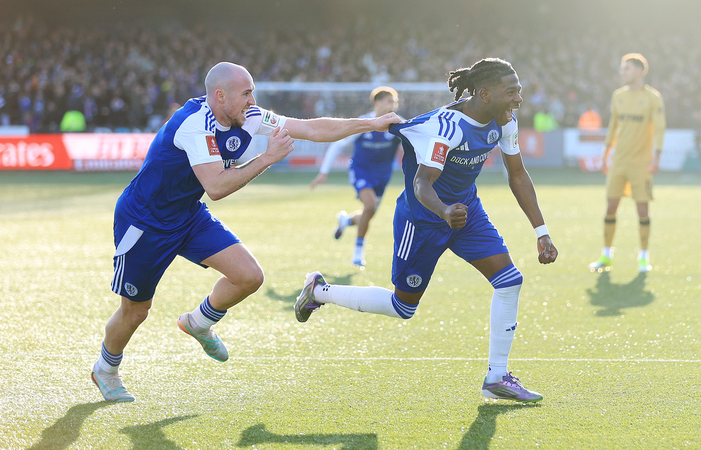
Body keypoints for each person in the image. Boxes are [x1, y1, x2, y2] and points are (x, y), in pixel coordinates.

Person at [91, 62, 400, 402]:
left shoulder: (247, 115)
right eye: (247, 92)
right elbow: (217, 187)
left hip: (187, 214)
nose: (254, 99)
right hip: (145, 223)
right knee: (136, 311)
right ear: (220, 96)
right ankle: (105, 369)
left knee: (249, 276)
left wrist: (371, 123)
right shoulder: (194, 125)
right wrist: (267, 158)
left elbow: (311, 129)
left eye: (253, 91)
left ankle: (198, 322)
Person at [295, 58, 558, 403]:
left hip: (466, 213)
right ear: (484, 93)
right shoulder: (446, 128)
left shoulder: (504, 121)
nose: (518, 100)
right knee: (402, 307)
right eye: (511, 92)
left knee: (509, 281)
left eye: (518, 92)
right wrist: (445, 210)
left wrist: (541, 230)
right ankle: (319, 290)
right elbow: (421, 183)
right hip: (422, 220)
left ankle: (497, 377)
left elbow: (518, 175)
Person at [589, 53, 665, 273]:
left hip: (641, 163)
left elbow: (660, 128)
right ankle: (606, 255)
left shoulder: (653, 98)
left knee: (642, 209)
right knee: (611, 206)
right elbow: (613, 126)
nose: (623, 72)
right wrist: (605, 154)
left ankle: (643, 257)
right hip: (619, 161)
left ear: (640, 71)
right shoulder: (618, 96)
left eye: (627, 69)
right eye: (622, 69)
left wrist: (657, 155)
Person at [309, 87, 403, 265]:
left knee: (368, 213)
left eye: (395, 102)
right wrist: (323, 172)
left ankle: (346, 220)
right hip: (361, 171)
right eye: (390, 101)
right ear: (377, 102)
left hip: (383, 176)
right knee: (370, 205)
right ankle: (358, 253)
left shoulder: (398, 123)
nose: (394, 105)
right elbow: (338, 145)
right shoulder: (363, 123)